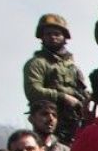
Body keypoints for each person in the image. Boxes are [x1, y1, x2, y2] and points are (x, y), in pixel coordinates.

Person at [23, 14, 89, 143]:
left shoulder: (71, 65)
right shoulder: (37, 63)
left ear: (65, 37)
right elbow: (33, 91)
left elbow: (82, 90)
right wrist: (62, 97)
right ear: (42, 37)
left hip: (74, 121)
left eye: (57, 34)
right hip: (49, 124)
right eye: (48, 34)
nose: (53, 37)